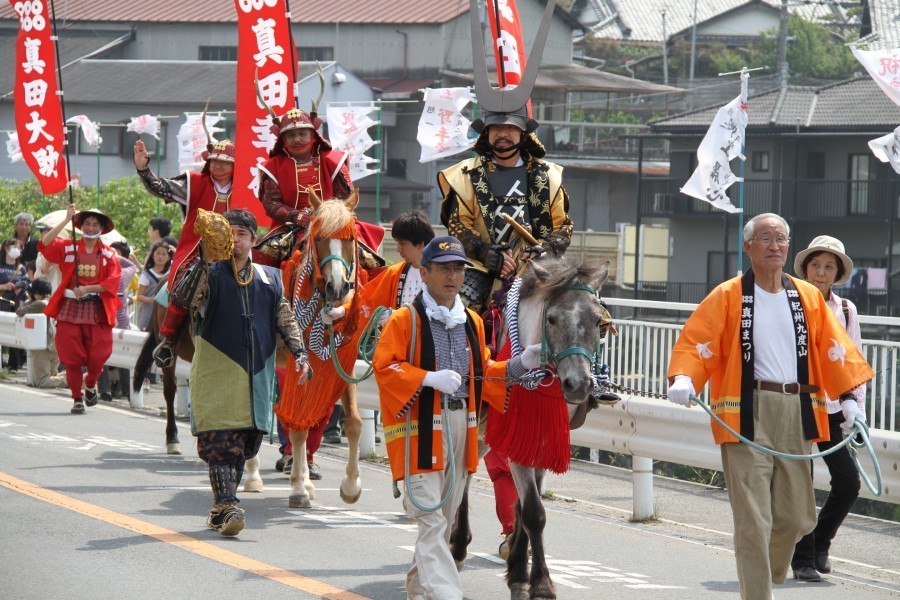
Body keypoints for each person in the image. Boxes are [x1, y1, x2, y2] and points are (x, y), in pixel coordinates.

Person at [665, 213, 873, 600]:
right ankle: (758, 594)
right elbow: (698, 342)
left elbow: (834, 350)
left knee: (799, 515)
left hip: (798, 408)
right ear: (749, 247)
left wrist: (848, 400)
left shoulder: (808, 297)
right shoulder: (728, 294)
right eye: (765, 238)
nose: (775, 245)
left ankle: (775, 567)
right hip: (745, 410)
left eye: (781, 239)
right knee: (752, 519)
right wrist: (686, 377)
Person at [372, 235, 539, 600]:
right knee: (430, 516)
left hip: (462, 426)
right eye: (444, 268)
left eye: (459, 268)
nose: (452, 276)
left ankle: (419, 590)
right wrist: (427, 378)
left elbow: (484, 373)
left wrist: (518, 365)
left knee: (444, 520)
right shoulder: (405, 319)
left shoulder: (472, 322)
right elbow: (384, 367)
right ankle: (448, 593)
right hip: (420, 429)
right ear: (425, 271)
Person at [189, 208, 310, 537]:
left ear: (254, 241)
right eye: (230, 233)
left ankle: (219, 510)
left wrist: (300, 353)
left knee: (243, 445)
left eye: (242, 234)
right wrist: (204, 256)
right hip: (216, 372)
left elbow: (285, 319)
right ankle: (228, 505)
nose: (236, 240)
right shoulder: (209, 274)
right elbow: (184, 299)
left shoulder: (271, 279)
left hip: (255, 375)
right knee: (219, 442)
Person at [437, 96, 573, 313]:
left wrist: (544, 250)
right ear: (486, 133)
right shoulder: (464, 175)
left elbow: (563, 227)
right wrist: (486, 252)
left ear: (522, 133)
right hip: (482, 267)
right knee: (458, 309)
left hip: (540, 265)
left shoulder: (548, 176)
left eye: (510, 128)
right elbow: (458, 226)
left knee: (585, 306)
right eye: (496, 128)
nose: (502, 134)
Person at [790, 236, 867, 582]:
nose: (821, 273)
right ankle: (803, 558)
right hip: (798, 403)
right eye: (816, 265)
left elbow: (853, 359)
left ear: (837, 274)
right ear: (806, 269)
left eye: (829, 267)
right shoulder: (789, 302)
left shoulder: (847, 310)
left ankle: (821, 542)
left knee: (849, 482)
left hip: (834, 406)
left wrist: (855, 404)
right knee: (801, 483)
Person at [135, 137, 236, 367]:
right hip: (196, 253)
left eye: (225, 162)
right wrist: (143, 169)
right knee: (186, 282)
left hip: (237, 253)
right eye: (214, 161)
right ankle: (169, 339)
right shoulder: (194, 183)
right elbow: (162, 188)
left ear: (235, 166)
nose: (218, 166)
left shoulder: (248, 187)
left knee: (266, 283)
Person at [38, 204, 122, 415]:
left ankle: (91, 382)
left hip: (97, 308)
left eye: (95, 224)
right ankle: (76, 397)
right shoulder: (68, 248)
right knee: (71, 356)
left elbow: (112, 282)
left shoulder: (110, 255)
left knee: (98, 356)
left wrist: (88, 288)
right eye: (87, 223)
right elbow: (45, 244)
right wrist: (66, 219)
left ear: (102, 228)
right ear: (81, 225)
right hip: (70, 307)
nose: (91, 228)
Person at [253, 104, 353, 267]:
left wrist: (327, 217)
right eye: (291, 135)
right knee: (262, 254)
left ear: (312, 134)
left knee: (367, 257)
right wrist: (296, 215)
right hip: (290, 227)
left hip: (334, 225)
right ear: (283, 139)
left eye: (302, 133)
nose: (297, 139)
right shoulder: (271, 166)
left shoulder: (334, 161)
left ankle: (367, 292)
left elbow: (345, 198)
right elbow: (270, 204)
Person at [15, 278, 66, 389]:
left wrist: (29, 300)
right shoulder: (54, 300)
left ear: (38, 293)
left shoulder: (40, 304)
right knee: (52, 376)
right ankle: (74, 377)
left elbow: (19, 311)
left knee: (42, 381)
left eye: (33, 292)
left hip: (43, 346)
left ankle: (75, 379)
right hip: (55, 345)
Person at [136, 241, 172, 332]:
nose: (160, 256)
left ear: (168, 257)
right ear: (152, 255)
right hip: (148, 313)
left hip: (165, 313)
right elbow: (139, 296)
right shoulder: (146, 274)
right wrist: (150, 300)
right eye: (158, 253)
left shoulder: (171, 274)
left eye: (164, 254)